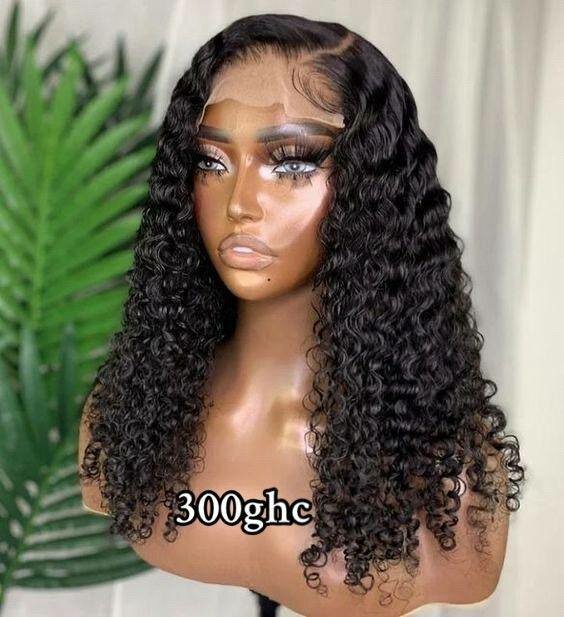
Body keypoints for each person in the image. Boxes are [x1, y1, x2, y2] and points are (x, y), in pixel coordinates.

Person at [79, 13, 526, 617]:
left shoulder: (448, 474)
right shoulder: (127, 415)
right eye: (211, 162)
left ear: (373, 188)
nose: (240, 204)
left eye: (291, 164)